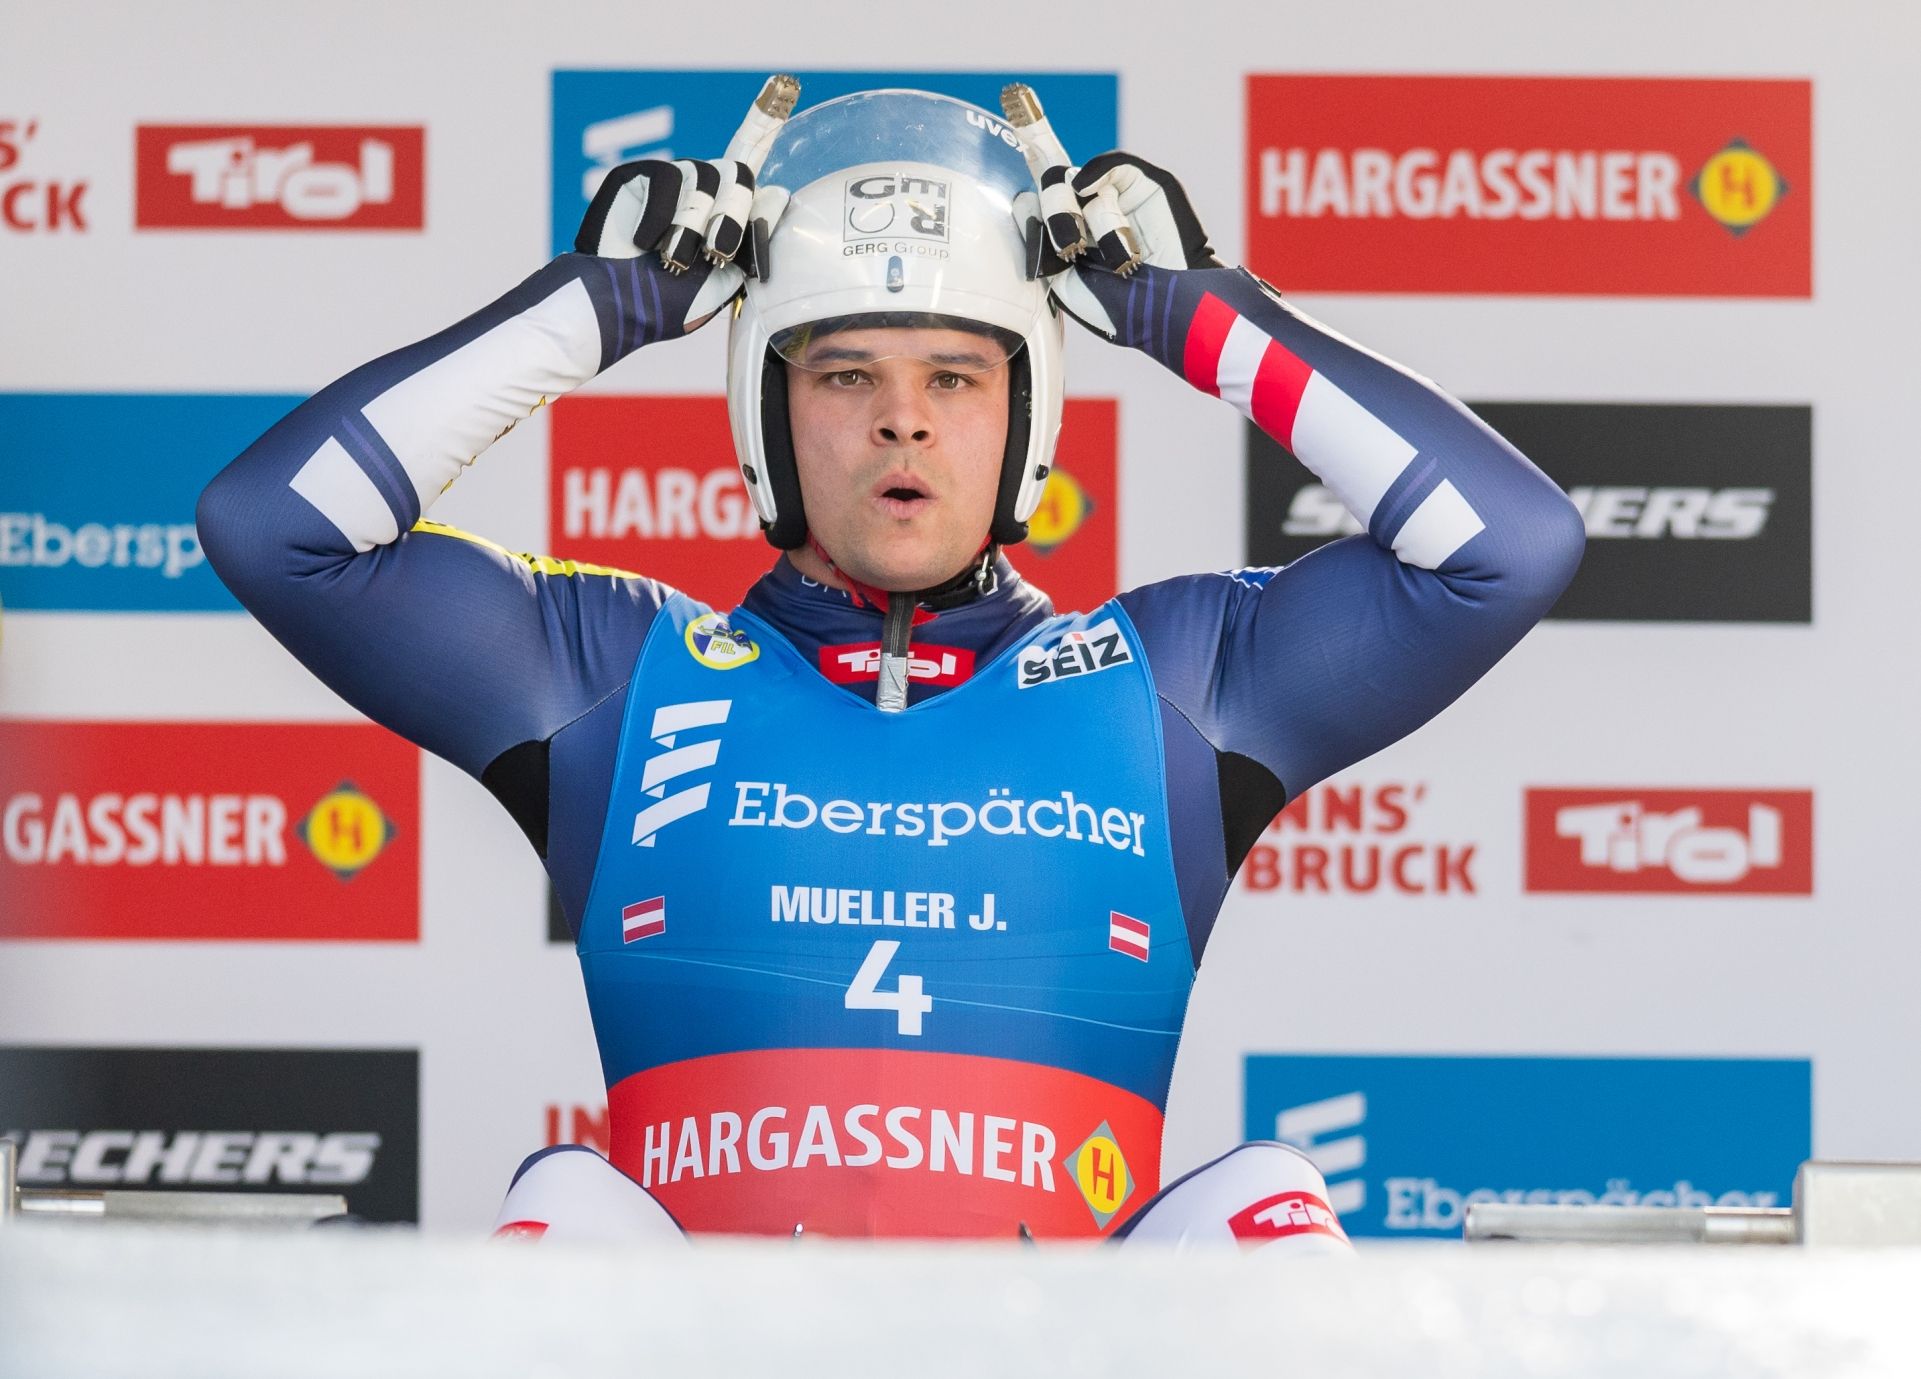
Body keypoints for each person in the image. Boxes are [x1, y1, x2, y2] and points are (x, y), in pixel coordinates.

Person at [197, 80, 1584, 1249]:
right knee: (568, 1205)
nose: (901, 424)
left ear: (1024, 419)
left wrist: (1195, 314)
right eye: (844, 375)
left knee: (1269, 1207)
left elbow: (1505, 545)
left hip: (1060, 1344)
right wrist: (594, 307)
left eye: (957, 378)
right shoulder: (616, 670)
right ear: (767, 418)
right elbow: (277, 529)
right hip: (708, 1349)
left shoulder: (1174, 676)